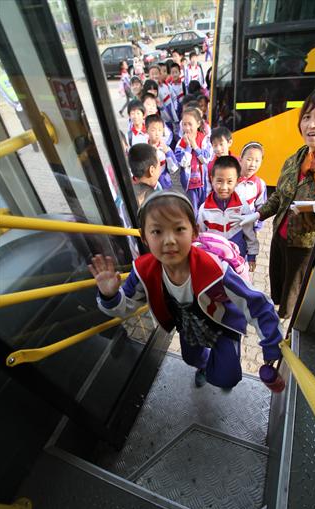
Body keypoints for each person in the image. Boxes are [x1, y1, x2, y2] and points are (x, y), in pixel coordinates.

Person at [89, 191, 283, 389]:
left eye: (179, 229)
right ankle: (206, 366)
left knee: (228, 378)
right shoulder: (143, 271)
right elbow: (126, 306)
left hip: (223, 326)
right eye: (157, 231)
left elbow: (257, 304)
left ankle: (218, 369)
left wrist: (271, 344)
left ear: (195, 232)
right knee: (191, 358)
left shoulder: (214, 269)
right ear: (144, 237)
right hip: (187, 324)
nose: (169, 240)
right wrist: (110, 295)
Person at [240, 79, 315, 318]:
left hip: (306, 247)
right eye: (306, 117)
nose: (311, 124)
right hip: (281, 236)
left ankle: (287, 326)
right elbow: (280, 194)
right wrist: (258, 214)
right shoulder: (297, 157)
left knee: (295, 294)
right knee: (279, 284)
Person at [198, 156, 254, 265]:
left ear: (237, 181)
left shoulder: (242, 206)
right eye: (219, 181)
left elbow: (249, 232)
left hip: (237, 258)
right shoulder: (204, 209)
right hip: (213, 258)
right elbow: (200, 235)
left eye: (229, 182)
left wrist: (252, 254)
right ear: (211, 179)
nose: (224, 187)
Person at [175, 106, 212, 216]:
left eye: (190, 124)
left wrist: (195, 145)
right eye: (184, 124)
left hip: (204, 183)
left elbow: (205, 159)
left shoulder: (204, 139)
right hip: (190, 184)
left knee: (205, 210)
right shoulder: (181, 143)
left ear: (198, 124)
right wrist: (188, 147)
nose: (187, 128)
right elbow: (183, 162)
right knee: (193, 211)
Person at [237, 142, 267, 272]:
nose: (252, 164)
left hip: (246, 229)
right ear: (241, 158)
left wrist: (258, 227)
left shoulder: (260, 184)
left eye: (257, 160)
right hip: (227, 228)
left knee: (239, 262)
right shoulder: (231, 178)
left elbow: (262, 208)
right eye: (249, 159)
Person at [145, 114, 179, 190]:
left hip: (164, 183)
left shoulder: (165, 148)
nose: (157, 133)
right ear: (147, 130)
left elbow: (174, 168)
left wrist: (167, 153)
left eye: (160, 130)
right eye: (153, 130)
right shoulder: (144, 148)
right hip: (148, 183)